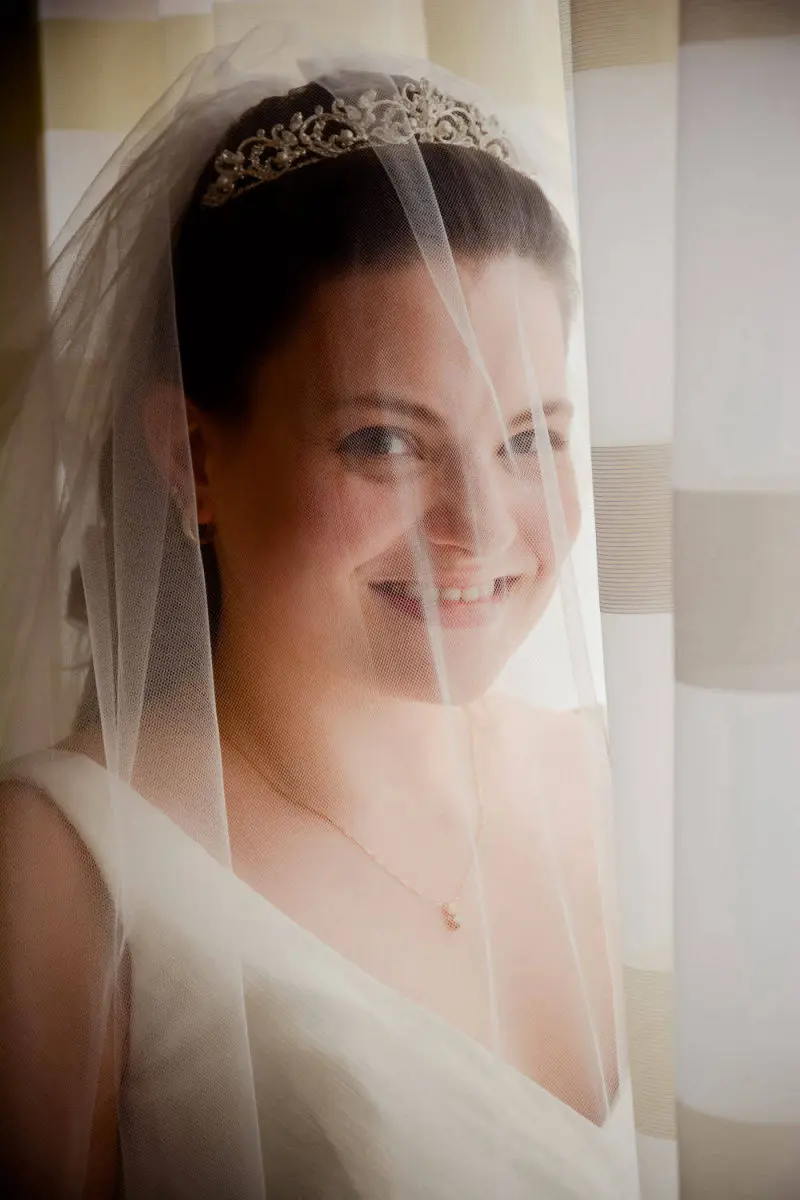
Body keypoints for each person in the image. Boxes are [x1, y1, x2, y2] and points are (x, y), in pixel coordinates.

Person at [0, 35, 637, 1200]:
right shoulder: (60, 872)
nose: (479, 528)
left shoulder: (623, 775)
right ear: (192, 459)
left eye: (528, 438)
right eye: (383, 440)